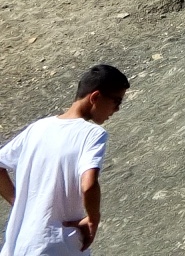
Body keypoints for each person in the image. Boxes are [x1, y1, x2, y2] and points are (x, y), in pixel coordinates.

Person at [1, 64, 127, 255]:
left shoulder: (38, 128)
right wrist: (93, 219)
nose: (117, 109)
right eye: (116, 101)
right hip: (57, 244)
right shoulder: (92, 134)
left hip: (19, 245)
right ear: (95, 97)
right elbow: (89, 184)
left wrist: (19, 202)